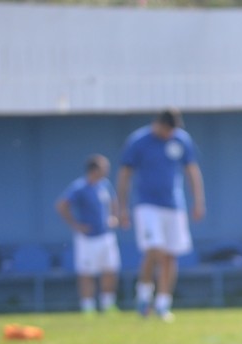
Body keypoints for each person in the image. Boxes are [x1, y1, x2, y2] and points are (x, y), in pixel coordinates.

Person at [116, 108, 206, 320]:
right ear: (157, 124)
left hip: (174, 205)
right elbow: (125, 174)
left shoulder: (181, 140)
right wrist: (122, 207)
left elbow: (192, 170)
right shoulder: (139, 141)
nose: (170, 134)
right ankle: (144, 295)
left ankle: (163, 303)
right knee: (154, 249)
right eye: (167, 130)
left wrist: (198, 201)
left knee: (170, 255)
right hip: (147, 205)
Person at [55, 153, 122, 315]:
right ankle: (88, 307)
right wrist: (75, 225)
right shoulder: (79, 187)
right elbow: (62, 205)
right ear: (94, 169)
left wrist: (114, 217)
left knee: (110, 270)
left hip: (106, 235)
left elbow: (114, 202)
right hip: (87, 238)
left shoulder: (105, 185)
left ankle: (108, 305)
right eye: (104, 167)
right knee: (86, 273)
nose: (107, 170)